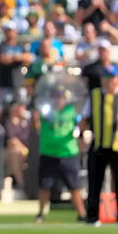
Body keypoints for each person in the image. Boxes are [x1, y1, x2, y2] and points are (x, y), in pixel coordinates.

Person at [81, 65, 118, 226]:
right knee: (94, 181)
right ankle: (92, 216)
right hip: (98, 144)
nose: (109, 81)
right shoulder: (95, 95)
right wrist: (80, 135)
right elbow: (84, 117)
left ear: (117, 79)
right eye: (106, 78)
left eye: (112, 78)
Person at [34, 87, 87, 223]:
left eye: (61, 97)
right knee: (44, 186)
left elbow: (81, 124)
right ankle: (40, 213)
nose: (58, 100)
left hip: (68, 153)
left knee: (74, 187)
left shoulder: (71, 112)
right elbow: (37, 125)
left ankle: (82, 214)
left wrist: (80, 134)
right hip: (49, 152)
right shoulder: (45, 111)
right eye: (56, 97)